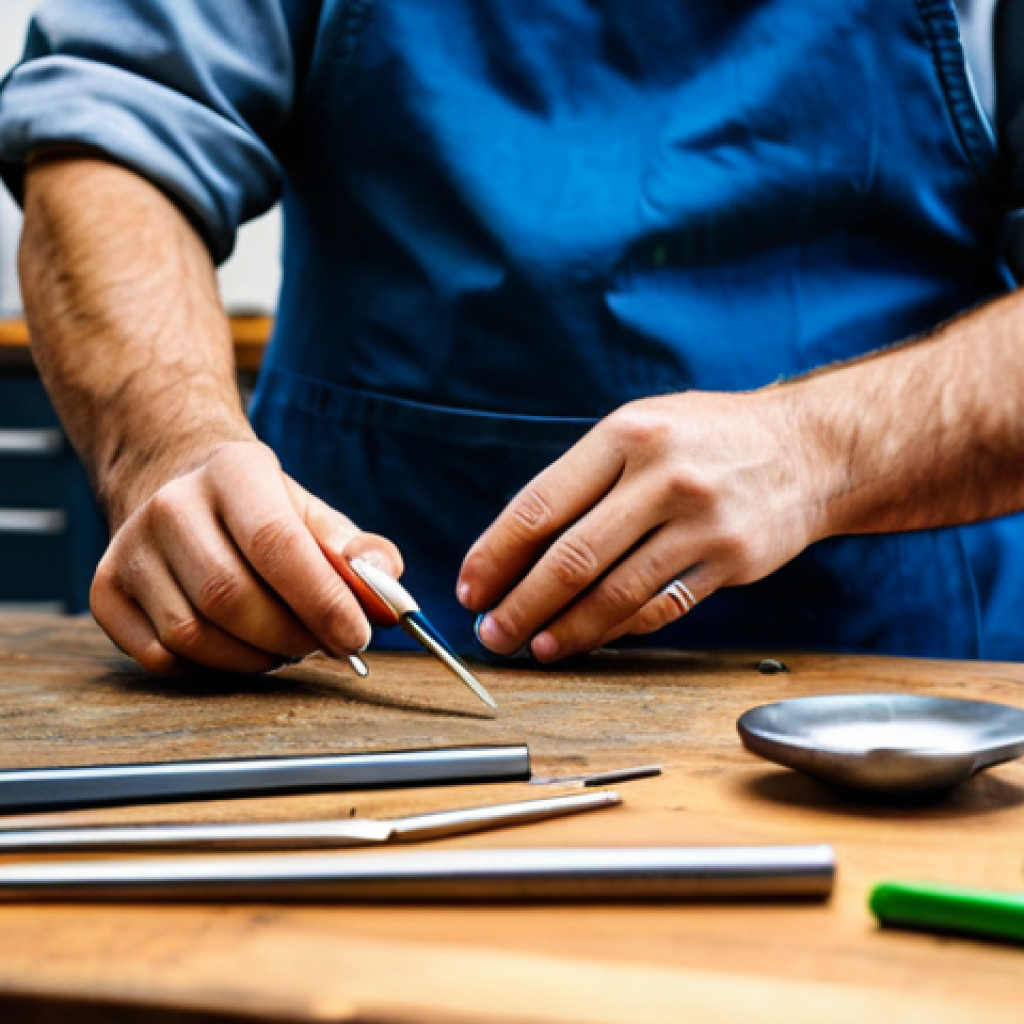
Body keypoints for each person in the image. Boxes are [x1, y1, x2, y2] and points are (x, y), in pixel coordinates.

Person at [1, 0, 1023, 675]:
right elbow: (114, 125)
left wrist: (820, 452)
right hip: (342, 680)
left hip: (883, 702)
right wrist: (166, 445)